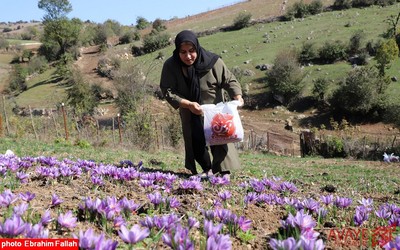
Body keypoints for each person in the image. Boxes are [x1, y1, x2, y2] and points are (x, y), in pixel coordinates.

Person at [160, 30, 244, 178]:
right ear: (177, 51)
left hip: (214, 110)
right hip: (189, 109)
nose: (188, 56)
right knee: (195, 140)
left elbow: (229, 80)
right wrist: (187, 104)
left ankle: (223, 171)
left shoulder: (213, 62)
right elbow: (167, 90)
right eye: (183, 52)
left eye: (191, 51)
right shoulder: (171, 66)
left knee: (220, 137)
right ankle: (206, 170)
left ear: (197, 48)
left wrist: (237, 96)